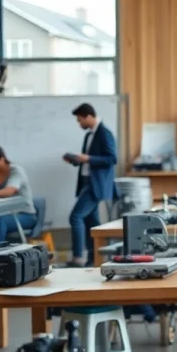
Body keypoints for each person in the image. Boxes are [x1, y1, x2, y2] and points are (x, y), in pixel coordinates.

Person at [63, 103, 117, 267]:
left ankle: (78, 258)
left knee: (75, 217)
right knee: (91, 221)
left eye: (80, 120)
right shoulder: (89, 136)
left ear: (88, 116)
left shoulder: (104, 133)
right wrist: (75, 160)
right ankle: (95, 259)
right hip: (87, 182)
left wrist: (88, 158)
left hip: (96, 185)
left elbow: (112, 159)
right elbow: (87, 161)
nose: (79, 123)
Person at [0, 146, 37, 242]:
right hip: (1, 213)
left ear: (2, 159)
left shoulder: (16, 171)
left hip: (24, 215)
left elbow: (9, 191)